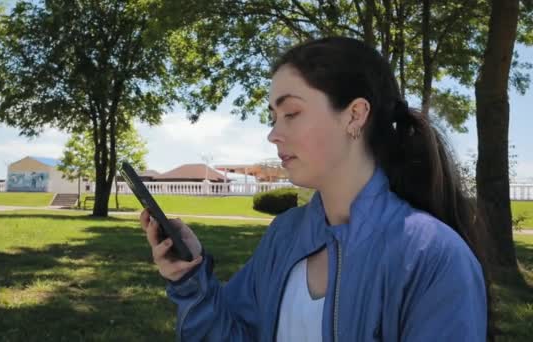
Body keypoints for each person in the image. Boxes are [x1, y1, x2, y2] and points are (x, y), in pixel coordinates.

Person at [139, 37, 491, 341]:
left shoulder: (433, 257)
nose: (273, 134)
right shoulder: (284, 236)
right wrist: (190, 278)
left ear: (354, 115)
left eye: (291, 113)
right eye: (273, 118)